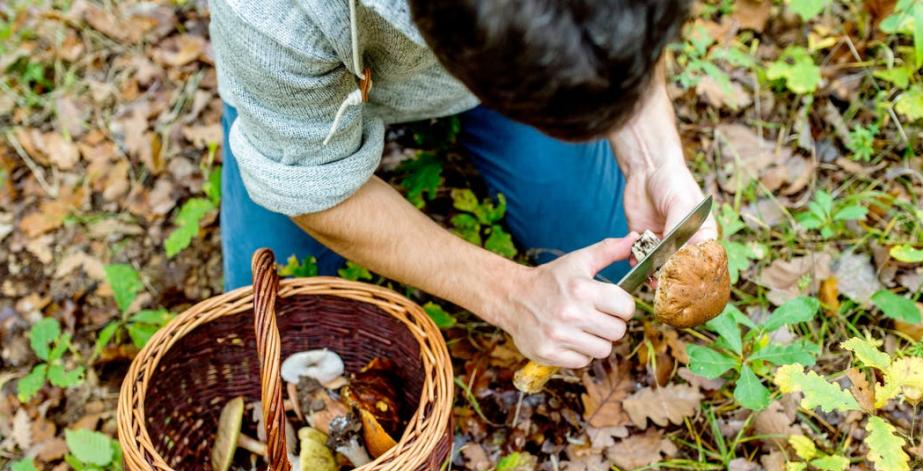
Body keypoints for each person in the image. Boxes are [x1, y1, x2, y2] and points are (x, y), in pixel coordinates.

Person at [210, 0, 717, 370]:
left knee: (600, 275)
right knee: (292, 345)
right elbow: (317, 192)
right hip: (312, 84)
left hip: (505, 56)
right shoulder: (270, 15)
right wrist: (511, 295)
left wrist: (655, 161)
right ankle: (272, 120)